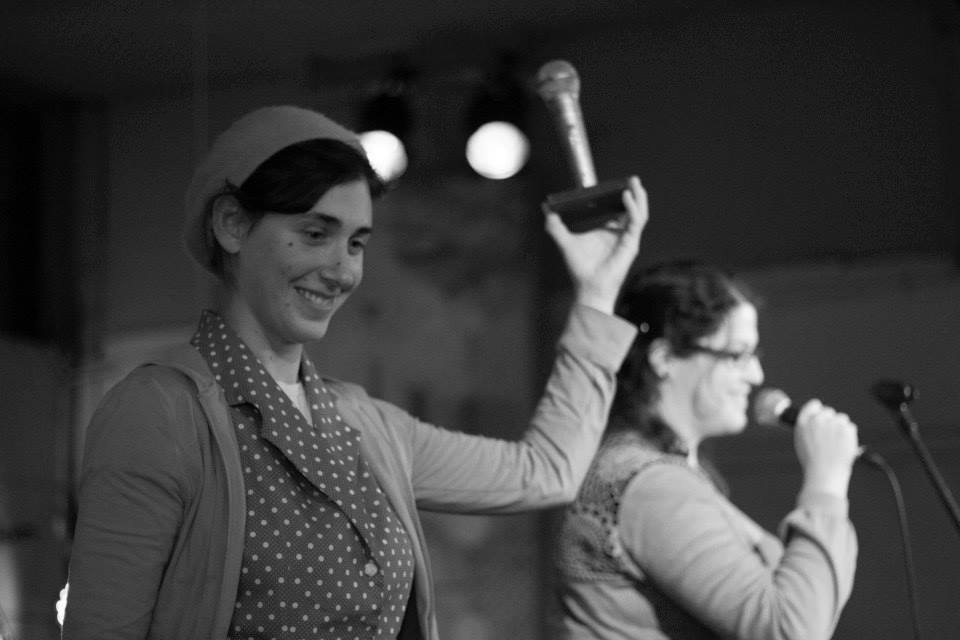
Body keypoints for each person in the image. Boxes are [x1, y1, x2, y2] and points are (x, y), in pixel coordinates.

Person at [60, 105, 648, 639]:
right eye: (315, 234)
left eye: (357, 244)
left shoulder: (363, 424)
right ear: (232, 223)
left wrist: (597, 293)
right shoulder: (161, 412)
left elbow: (544, 472)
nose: (342, 271)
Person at [553, 261, 859, 640]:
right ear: (664, 358)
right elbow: (789, 630)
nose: (756, 376)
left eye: (755, 355)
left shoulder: (667, 475)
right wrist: (826, 484)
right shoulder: (653, 488)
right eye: (737, 355)